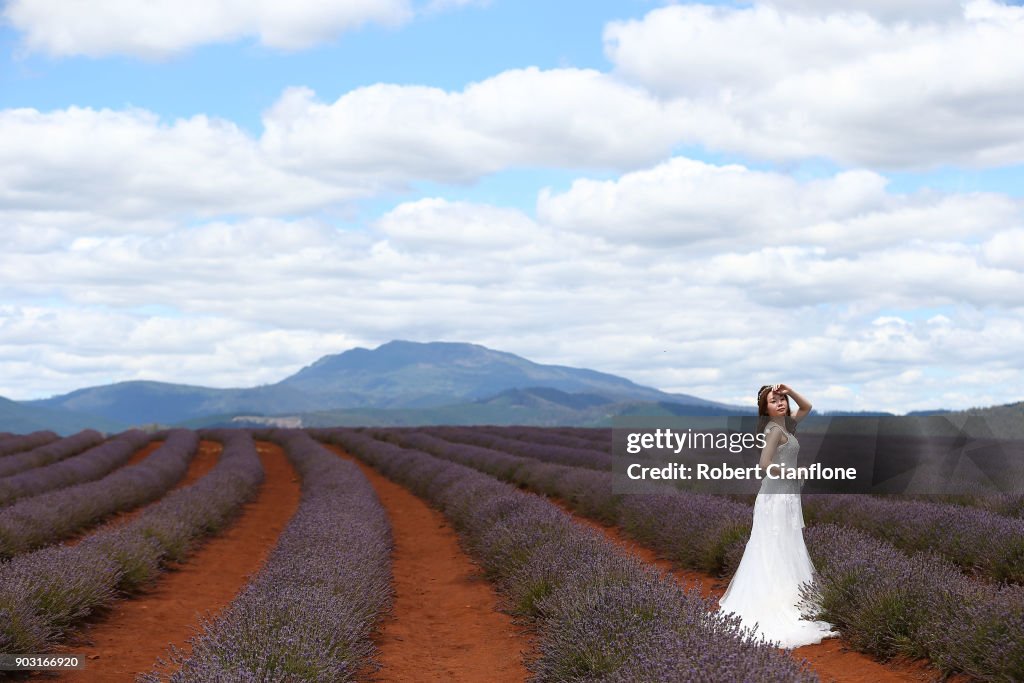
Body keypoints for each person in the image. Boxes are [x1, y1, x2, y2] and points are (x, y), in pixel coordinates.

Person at [717, 383, 837, 648]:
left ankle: (789, 598)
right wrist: (793, 473)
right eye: (774, 401)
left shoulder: (787, 426)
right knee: (773, 550)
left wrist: (790, 390)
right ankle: (774, 604)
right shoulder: (774, 430)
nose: (780, 403)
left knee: (786, 547)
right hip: (775, 499)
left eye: (782, 399)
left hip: (786, 498)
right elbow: (764, 465)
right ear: (765, 409)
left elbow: (807, 407)